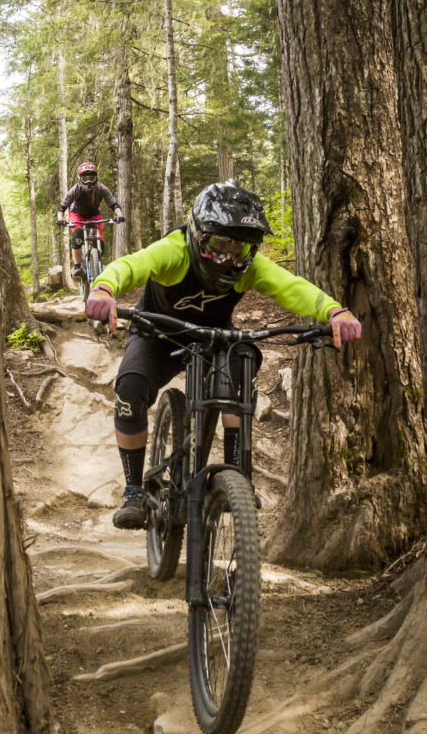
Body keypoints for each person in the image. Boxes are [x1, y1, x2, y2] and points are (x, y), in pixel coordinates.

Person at [85, 181, 362, 529]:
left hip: (215, 338)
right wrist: (104, 289)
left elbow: (293, 288)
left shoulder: (251, 269)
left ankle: (236, 473)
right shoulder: (174, 250)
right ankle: (133, 490)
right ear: (198, 235)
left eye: (242, 248)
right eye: (220, 244)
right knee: (130, 388)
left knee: (242, 363)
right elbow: (130, 265)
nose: (230, 257)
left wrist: (334, 312)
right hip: (157, 334)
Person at [57, 161, 124, 272]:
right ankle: (77, 267)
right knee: (77, 237)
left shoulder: (101, 188)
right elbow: (62, 206)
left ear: (96, 177)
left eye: (91, 177)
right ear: (80, 178)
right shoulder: (76, 189)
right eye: (85, 178)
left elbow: (113, 204)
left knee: (101, 244)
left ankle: (96, 262)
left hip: (94, 215)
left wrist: (119, 215)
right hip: (77, 214)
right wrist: (60, 218)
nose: (88, 181)